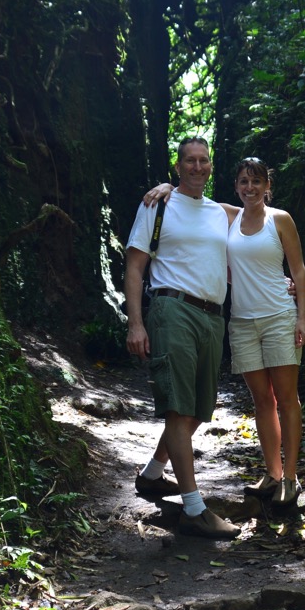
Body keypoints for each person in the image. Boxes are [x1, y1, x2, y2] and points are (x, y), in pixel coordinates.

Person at [140, 156, 305, 513]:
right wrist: (167, 187)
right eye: (244, 182)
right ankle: (273, 475)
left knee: (286, 398)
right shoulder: (225, 216)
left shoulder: (279, 219)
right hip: (242, 321)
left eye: (257, 182)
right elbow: (190, 198)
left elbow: (299, 271)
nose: (251, 188)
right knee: (262, 402)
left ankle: (291, 480)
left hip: (279, 316)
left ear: (268, 186)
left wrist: (302, 318)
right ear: (236, 187)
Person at [123, 137, 242, 539]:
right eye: (189, 160)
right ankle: (194, 508)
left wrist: (288, 282)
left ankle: (153, 474)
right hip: (171, 308)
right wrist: (136, 323)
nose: (197, 166)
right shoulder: (157, 206)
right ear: (177, 166)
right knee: (178, 407)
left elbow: (260, 221)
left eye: (203, 160)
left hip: (213, 317)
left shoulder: (220, 213)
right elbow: (136, 268)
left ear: (211, 166)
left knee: (195, 410)